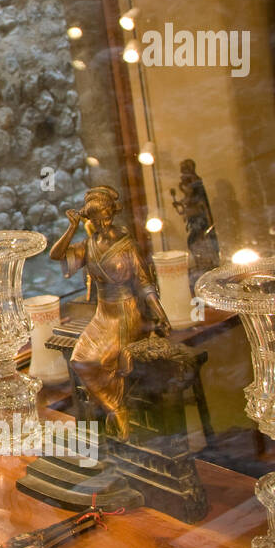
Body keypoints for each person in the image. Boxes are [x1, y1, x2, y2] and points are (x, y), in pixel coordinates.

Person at [50, 186, 171, 437]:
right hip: (103, 313)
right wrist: (72, 227)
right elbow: (56, 255)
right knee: (80, 359)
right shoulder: (89, 245)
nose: (102, 222)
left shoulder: (125, 244)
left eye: (105, 216)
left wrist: (160, 313)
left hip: (127, 312)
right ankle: (115, 408)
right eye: (96, 218)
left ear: (113, 213)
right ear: (90, 219)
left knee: (100, 359)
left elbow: (144, 283)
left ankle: (117, 411)